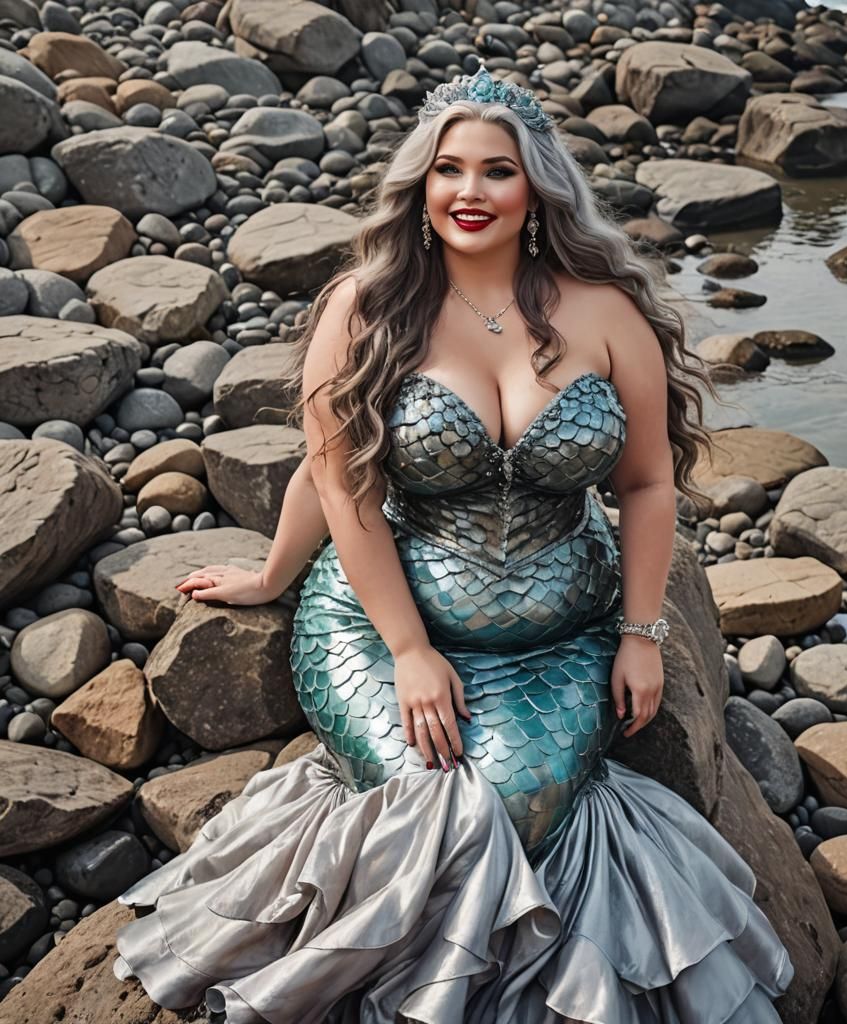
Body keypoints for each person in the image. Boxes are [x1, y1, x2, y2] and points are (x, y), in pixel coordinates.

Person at [111, 65, 795, 1023]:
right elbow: (339, 479)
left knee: (523, 804)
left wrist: (642, 631)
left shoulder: (603, 312)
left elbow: (643, 484)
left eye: (497, 171)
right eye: (449, 170)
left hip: (563, 636)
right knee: (437, 800)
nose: (470, 192)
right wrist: (386, 639)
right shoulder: (365, 306)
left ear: (538, 189)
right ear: (420, 186)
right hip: (381, 624)